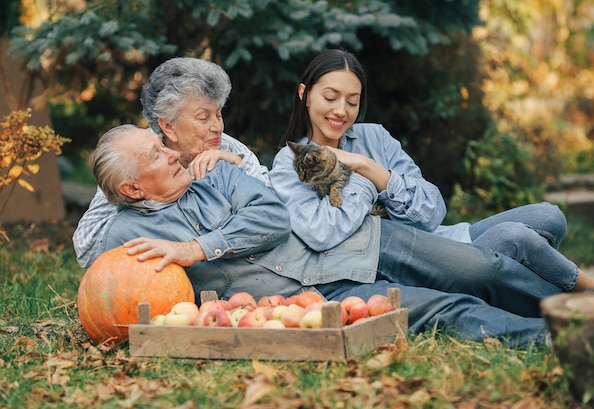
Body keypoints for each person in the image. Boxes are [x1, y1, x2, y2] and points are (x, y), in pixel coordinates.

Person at [91, 124, 549, 348]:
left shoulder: (213, 173)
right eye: (155, 153)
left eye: (163, 144)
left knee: (482, 267)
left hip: (360, 241)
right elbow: (116, 295)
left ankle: (570, 310)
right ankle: (550, 338)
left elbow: (272, 217)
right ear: (131, 188)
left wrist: (194, 249)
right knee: (446, 308)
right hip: (315, 298)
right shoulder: (127, 238)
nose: (172, 153)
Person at [269, 49, 594, 318]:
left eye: (352, 101)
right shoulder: (292, 164)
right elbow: (320, 233)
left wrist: (370, 167)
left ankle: (497, 281)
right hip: (408, 258)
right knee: (516, 238)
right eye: (330, 97)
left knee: (549, 216)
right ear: (305, 95)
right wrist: (364, 182)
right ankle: (578, 308)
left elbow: (432, 210)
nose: (341, 110)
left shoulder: (375, 138)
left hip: (442, 239)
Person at [72, 57, 270, 268]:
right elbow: (87, 247)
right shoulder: (133, 154)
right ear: (168, 126)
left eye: (218, 115)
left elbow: (272, 212)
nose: (217, 127)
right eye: (203, 118)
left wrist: (233, 172)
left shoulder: (232, 151)